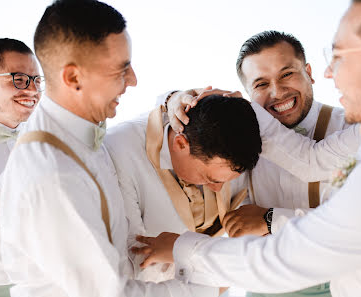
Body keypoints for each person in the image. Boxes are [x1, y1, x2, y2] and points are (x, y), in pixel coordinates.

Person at [134, 0, 361, 296]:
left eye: (338, 57)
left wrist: (181, 248)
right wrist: (175, 99)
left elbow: (284, 255)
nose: (331, 73)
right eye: (259, 84)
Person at [0, 1, 219, 297]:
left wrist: (175, 99)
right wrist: (205, 287)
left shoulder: (78, 133)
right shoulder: (55, 173)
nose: (133, 80)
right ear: (73, 78)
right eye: (121, 69)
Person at [105, 94, 261, 282]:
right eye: (209, 178)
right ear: (180, 144)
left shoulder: (232, 134)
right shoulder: (118, 152)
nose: (217, 189)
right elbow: (135, 259)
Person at [0, 38, 42, 297]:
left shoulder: (47, 140)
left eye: (36, 80)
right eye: (19, 79)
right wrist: (12, 184)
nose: (32, 90)